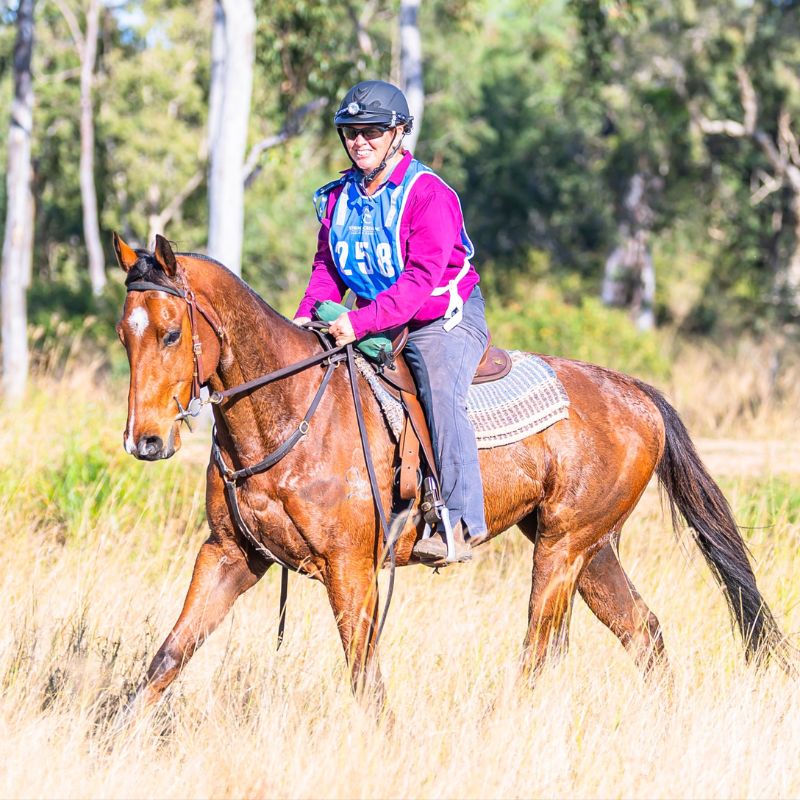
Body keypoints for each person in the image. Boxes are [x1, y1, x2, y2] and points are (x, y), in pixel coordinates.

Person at [293, 80, 489, 563]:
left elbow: (421, 282)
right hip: (370, 317)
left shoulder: (428, 194)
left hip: (440, 317)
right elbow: (326, 269)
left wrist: (359, 324)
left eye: (373, 130)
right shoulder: (339, 197)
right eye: (351, 131)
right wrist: (306, 316)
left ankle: (460, 522)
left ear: (398, 134)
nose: (360, 141)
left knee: (439, 392)